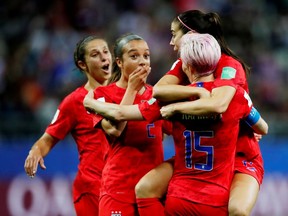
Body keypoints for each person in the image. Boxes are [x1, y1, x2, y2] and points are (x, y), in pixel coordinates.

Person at [83, 33, 268, 215]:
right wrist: (247, 130)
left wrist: (91, 103)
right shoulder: (234, 94)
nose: (142, 61)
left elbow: (120, 113)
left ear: (186, 66)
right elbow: (263, 128)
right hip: (216, 201)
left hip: (179, 198)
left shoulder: (171, 98)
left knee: (145, 190)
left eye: (146, 55)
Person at [133, 10, 267, 216]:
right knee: (145, 188)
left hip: (239, 153)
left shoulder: (230, 65)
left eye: (174, 34)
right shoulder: (184, 63)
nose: (171, 42)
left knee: (237, 210)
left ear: (191, 35)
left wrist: (177, 107)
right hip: (201, 153)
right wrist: (197, 90)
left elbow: (219, 104)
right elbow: (158, 91)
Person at [24, 35, 112, 216]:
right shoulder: (73, 102)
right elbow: (48, 139)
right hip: (91, 189)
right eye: (95, 54)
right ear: (82, 64)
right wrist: (35, 151)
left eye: (106, 51)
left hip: (122, 187)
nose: (104, 57)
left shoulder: (125, 95)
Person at [90, 33, 169, 216]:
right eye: (134, 56)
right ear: (119, 62)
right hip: (119, 190)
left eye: (146, 56)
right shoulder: (102, 95)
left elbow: (176, 131)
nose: (142, 62)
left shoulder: (159, 96)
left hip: (152, 192)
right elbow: (115, 130)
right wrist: (132, 89)